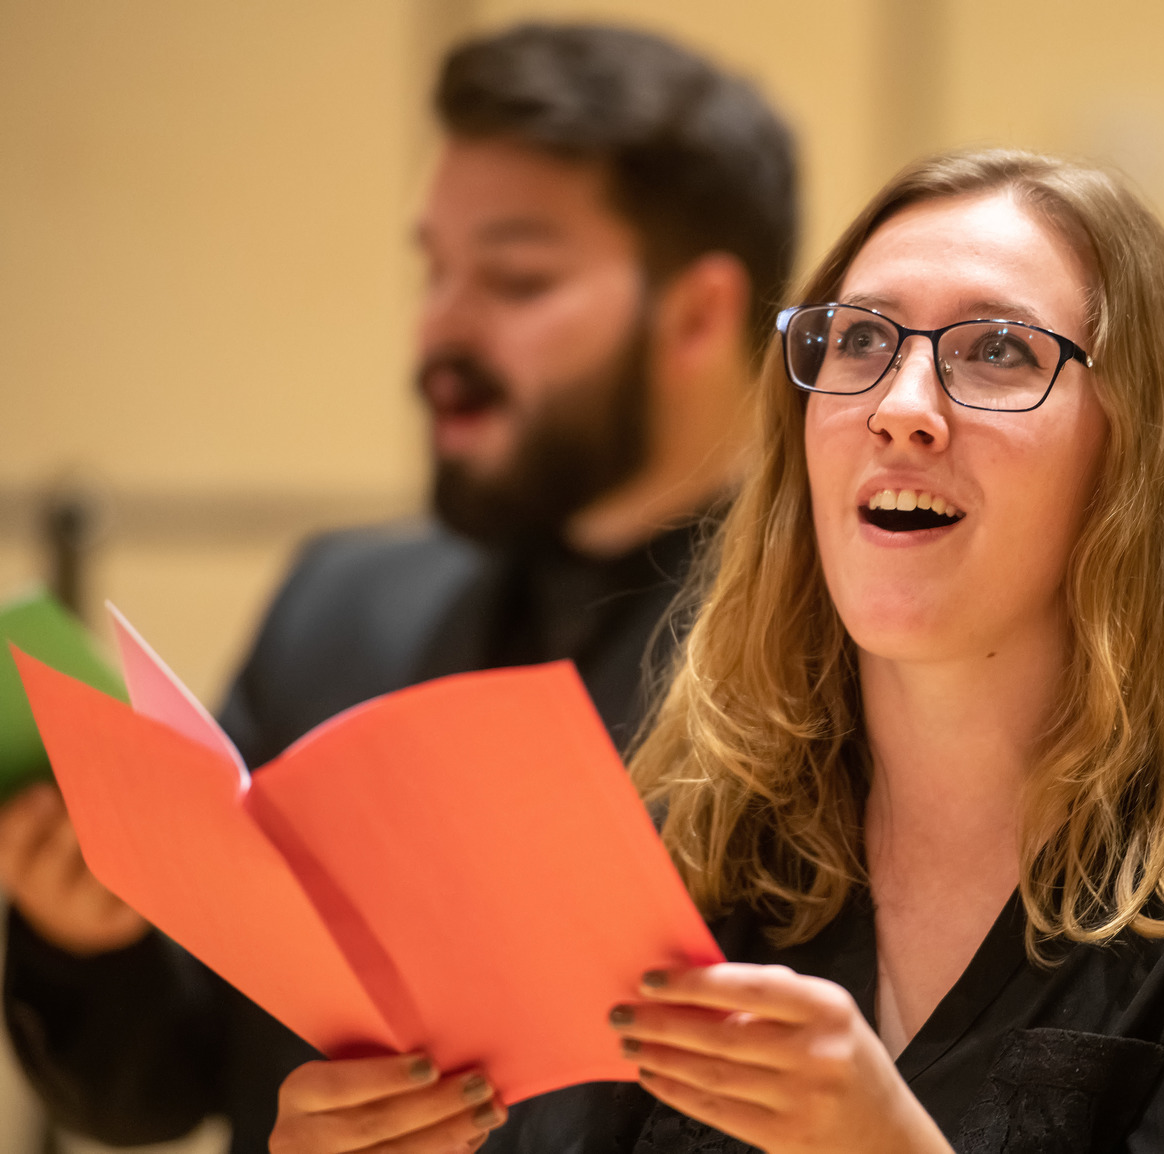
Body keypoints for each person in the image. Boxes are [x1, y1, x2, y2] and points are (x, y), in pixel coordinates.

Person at [264, 149, 1164, 1153]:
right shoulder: (694, 846)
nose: (900, 408)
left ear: (1136, 452)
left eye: (998, 351)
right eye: (857, 340)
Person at [0, 23, 796, 1154]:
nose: (441, 331)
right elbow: (157, 1088)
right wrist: (87, 932)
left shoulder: (828, 658)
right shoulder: (341, 601)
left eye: (516, 278)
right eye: (436, 270)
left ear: (699, 312)